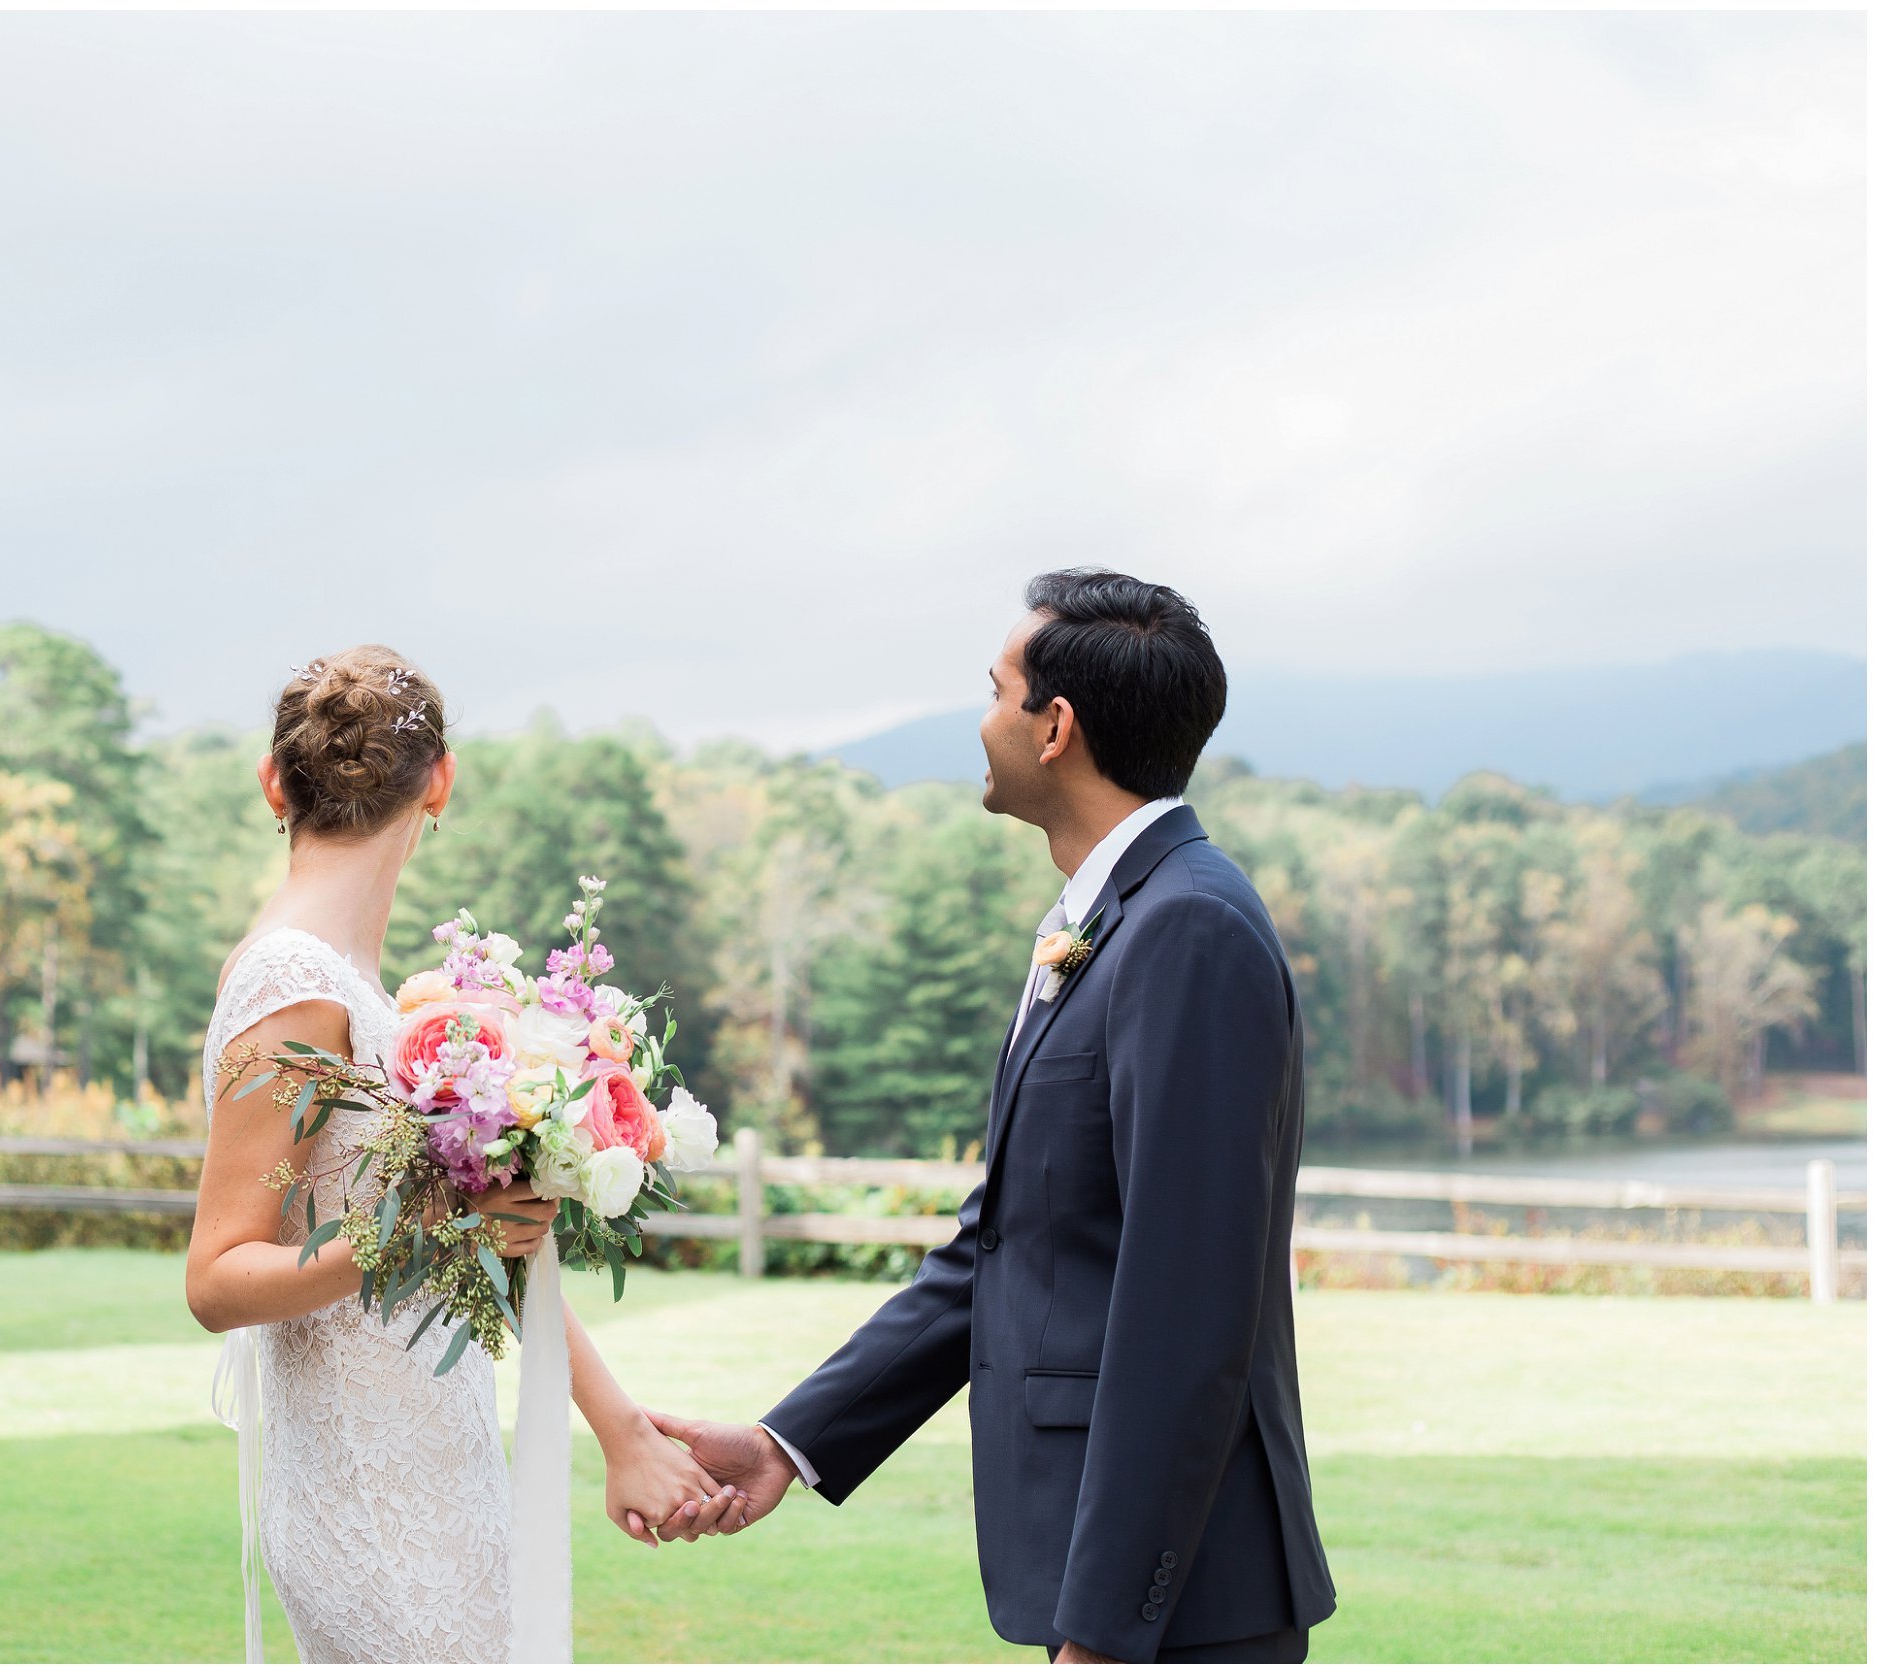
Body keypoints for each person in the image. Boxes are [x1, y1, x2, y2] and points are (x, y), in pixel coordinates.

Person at [639, 572, 1337, 1663]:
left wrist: (1108, 1629)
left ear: (1055, 727)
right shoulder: (1111, 918)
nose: (979, 719)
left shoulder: (1186, 929)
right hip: (1096, 1584)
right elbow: (1004, 1247)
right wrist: (791, 1443)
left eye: (995, 689)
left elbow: (1189, 1304)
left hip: (1180, 1603)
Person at [184, 646, 727, 1663]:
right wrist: (422, 1231)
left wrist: (619, 1429)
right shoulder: (293, 986)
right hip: (368, 1498)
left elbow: (495, 1236)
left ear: (273, 781)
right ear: (441, 782)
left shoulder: (367, 990)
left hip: (447, 1468)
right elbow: (218, 1278)